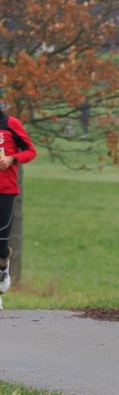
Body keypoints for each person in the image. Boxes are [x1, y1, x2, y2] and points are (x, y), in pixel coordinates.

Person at [0, 106, 38, 308]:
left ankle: (3, 263)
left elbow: (31, 152)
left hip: (5, 191)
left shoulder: (11, 124)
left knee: (0, 246)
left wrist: (12, 159)